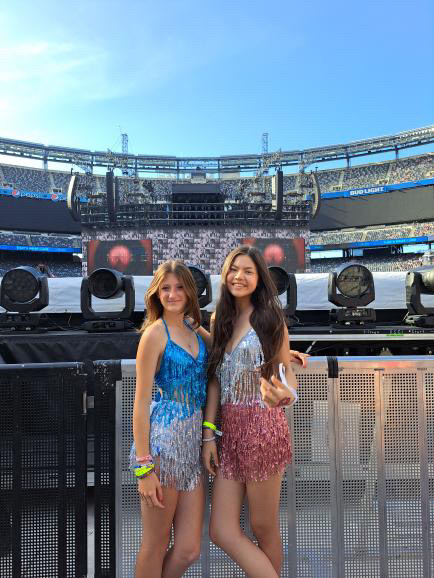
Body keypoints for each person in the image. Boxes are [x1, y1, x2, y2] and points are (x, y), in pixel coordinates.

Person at [202, 245, 300, 578]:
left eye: (248, 271)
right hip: (228, 434)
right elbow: (216, 378)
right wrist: (208, 435)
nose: (239, 277)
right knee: (221, 530)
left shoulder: (271, 317)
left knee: (262, 526)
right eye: (233, 269)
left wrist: (284, 396)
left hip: (264, 430)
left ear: (259, 279)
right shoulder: (220, 319)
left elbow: (287, 374)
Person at [131, 260, 208, 578]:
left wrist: (282, 353)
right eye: (165, 288)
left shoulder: (194, 329)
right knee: (156, 543)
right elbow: (141, 401)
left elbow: (231, 352)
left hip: (191, 451)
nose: (173, 294)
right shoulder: (153, 335)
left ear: (190, 291)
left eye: (179, 287)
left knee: (189, 548)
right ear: (156, 294)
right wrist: (144, 467)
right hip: (162, 449)